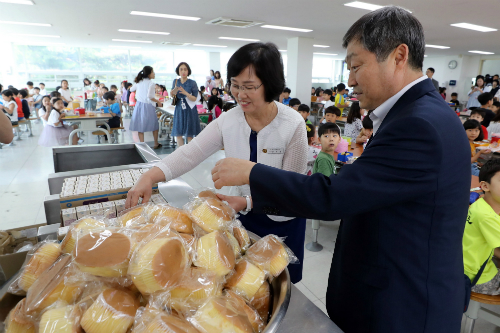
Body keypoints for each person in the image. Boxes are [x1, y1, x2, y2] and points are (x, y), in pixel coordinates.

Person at [210, 7, 470, 333]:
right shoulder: (416, 115)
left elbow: (335, 196)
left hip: (403, 307)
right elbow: (363, 189)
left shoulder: (420, 125)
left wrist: (252, 172)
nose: (349, 81)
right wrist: (249, 202)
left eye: (357, 66)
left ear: (399, 55)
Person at [126, 42, 308, 284]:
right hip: (240, 214)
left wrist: (247, 201)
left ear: (271, 85)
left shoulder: (292, 124)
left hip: (282, 219)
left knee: (281, 285)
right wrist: (150, 176)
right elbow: (191, 152)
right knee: (243, 283)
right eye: (235, 85)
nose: (240, 94)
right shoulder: (229, 120)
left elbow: (292, 188)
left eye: (250, 87)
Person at [464, 159, 500, 295]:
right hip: (477, 278)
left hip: (467, 267)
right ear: (485, 186)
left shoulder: (480, 203)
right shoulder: (486, 217)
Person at [129, 66, 162, 149]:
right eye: (152, 72)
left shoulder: (139, 82)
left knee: (140, 126)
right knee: (154, 125)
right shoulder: (151, 83)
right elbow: (150, 96)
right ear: (149, 74)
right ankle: (155, 143)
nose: (154, 73)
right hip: (148, 105)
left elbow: (131, 89)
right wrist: (158, 102)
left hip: (139, 105)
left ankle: (142, 145)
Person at [170, 62, 200, 147]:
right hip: (179, 108)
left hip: (190, 108)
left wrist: (185, 93)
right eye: (181, 69)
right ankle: (181, 154)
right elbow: (173, 95)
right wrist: (172, 93)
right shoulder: (176, 81)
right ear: (178, 71)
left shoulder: (192, 83)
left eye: (185, 69)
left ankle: (190, 154)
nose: (183, 71)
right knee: (178, 133)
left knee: (189, 134)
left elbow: (195, 98)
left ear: (188, 71)